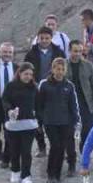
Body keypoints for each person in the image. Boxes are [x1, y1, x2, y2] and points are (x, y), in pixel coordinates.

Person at [36, 58, 80, 183]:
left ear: (65, 70)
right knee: (55, 146)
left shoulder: (69, 85)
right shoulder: (44, 84)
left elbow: (73, 105)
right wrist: (39, 121)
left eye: (62, 69)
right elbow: (39, 105)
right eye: (57, 69)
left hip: (65, 122)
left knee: (61, 148)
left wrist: (76, 120)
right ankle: (50, 175)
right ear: (52, 69)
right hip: (50, 122)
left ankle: (57, 176)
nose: (60, 72)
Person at [25, 27, 66, 158]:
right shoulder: (31, 53)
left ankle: (61, 146)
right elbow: (26, 70)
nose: (44, 40)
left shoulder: (58, 51)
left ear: (51, 38)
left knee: (58, 116)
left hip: (54, 88)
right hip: (36, 89)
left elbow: (64, 69)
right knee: (37, 117)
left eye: (47, 38)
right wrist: (32, 83)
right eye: (41, 38)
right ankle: (42, 146)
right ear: (38, 38)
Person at [1, 62, 39, 183]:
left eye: (30, 74)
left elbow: (40, 104)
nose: (28, 76)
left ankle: (26, 177)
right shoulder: (11, 86)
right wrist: (10, 110)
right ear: (20, 73)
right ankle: (15, 170)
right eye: (25, 74)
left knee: (26, 152)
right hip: (13, 125)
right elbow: (4, 100)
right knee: (14, 150)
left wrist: (39, 117)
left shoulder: (34, 87)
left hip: (29, 125)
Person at [66, 40, 93, 174]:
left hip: (86, 104)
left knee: (88, 131)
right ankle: (71, 160)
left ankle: (83, 156)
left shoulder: (88, 66)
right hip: (68, 105)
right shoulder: (62, 65)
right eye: (75, 51)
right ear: (69, 51)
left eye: (80, 51)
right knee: (69, 134)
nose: (78, 54)